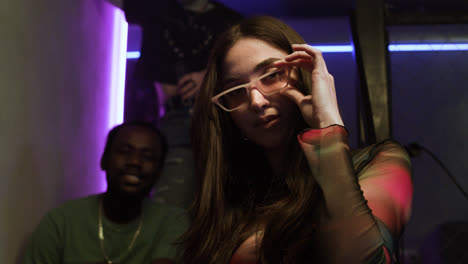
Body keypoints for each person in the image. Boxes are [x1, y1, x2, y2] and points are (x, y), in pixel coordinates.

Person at [180, 16, 413, 264]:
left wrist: (327, 125)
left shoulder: (381, 163)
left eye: (271, 75)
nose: (257, 102)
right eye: (236, 91)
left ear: (304, 75)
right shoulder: (230, 199)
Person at [122, 0, 242, 209]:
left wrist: (210, 76)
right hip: (158, 120)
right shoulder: (155, 9)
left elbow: (244, 68)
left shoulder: (230, 21)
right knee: (164, 206)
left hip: (207, 119)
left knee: (186, 204)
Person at [24, 121, 188, 264]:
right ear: (103, 160)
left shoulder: (174, 222)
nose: (135, 162)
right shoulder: (60, 223)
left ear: (160, 171)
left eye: (148, 156)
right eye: (125, 151)